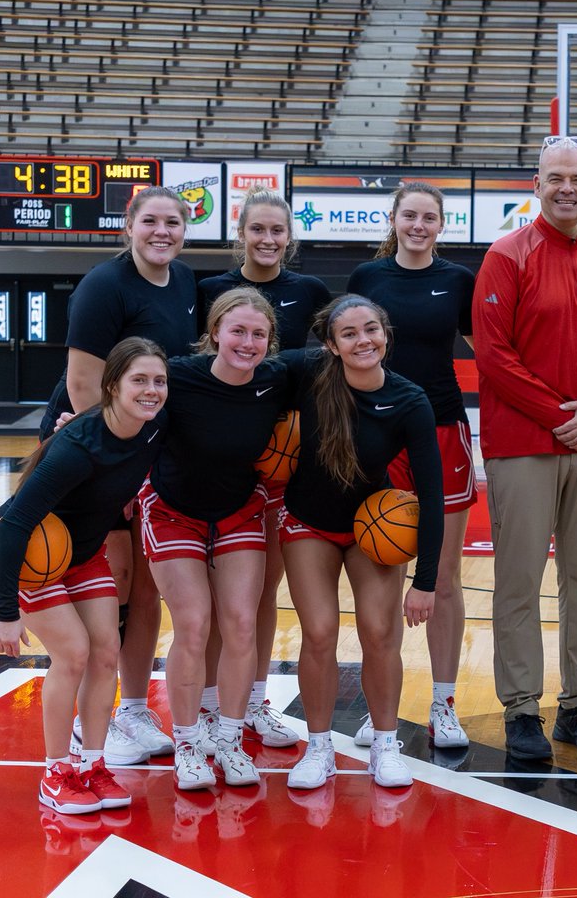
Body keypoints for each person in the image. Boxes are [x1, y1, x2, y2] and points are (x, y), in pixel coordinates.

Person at [473, 135, 577, 761]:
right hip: (523, 443)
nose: (567, 187)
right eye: (555, 178)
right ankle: (520, 709)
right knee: (519, 578)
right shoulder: (506, 255)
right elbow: (492, 354)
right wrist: (559, 415)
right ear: (536, 184)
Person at [41, 186, 197, 765]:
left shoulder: (183, 283)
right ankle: (91, 722)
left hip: (143, 446)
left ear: (186, 230)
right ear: (128, 225)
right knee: (114, 582)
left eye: (173, 223)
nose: (162, 232)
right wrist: (113, 471)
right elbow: (83, 386)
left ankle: (131, 708)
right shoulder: (103, 286)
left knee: (145, 584)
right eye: (150, 221)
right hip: (96, 450)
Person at [0, 338, 168, 813]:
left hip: (86, 553)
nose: (151, 390)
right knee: (72, 653)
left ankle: (93, 765)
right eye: (139, 380)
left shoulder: (153, 429)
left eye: (158, 381)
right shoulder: (77, 447)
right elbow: (13, 523)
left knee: (106, 650)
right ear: (112, 386)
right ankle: (55, 774)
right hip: (36, 558)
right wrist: (5, 612)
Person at [283, 295, 443, 791]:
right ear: (331, 344)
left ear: (385, 334)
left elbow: (432, 494)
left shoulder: (410, 399)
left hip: (371, 526)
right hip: (308, 522)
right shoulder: (306, 374)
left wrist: (427, 581)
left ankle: (385, 743)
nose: (362, 340)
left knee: (379, 631)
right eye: (348, 334)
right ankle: (318, 747)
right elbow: (229, 380)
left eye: (371, 329)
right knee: (320, 632)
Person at [140, 288, 293, 791]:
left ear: (270, 342)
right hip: (173, 509)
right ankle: (187, 743)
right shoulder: (178, 376)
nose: (247, 342)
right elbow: (121, 396)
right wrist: (74, 427)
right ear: (215, 333)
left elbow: (340, 362)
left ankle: (227, 741)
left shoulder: (276, 378)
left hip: (237, 508)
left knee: (241, 623)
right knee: (193, 622)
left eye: (258, 334)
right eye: (237, 331)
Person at [197, 189, 330, 751]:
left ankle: (253, 702)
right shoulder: (209, 292)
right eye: (259, 230)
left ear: (290, 237)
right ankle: (207, 705)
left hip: (282, 460)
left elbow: (326, 373)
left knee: (264, 588)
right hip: (218, 456)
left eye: (278, 231)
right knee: (212, 595)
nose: (269, 240)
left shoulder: (311, 292)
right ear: (241, 233)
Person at [347, 181, 476, 751]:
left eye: (429, 217)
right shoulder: (367, 281)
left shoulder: (458, 281)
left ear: (441, 224)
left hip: (444, 430)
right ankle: (383, 710)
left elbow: (492, 355)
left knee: (442, 579)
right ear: (394, 220)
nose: (419, 225)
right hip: (378, 435)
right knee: (384, 582)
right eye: (410, 216)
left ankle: (445, 704)